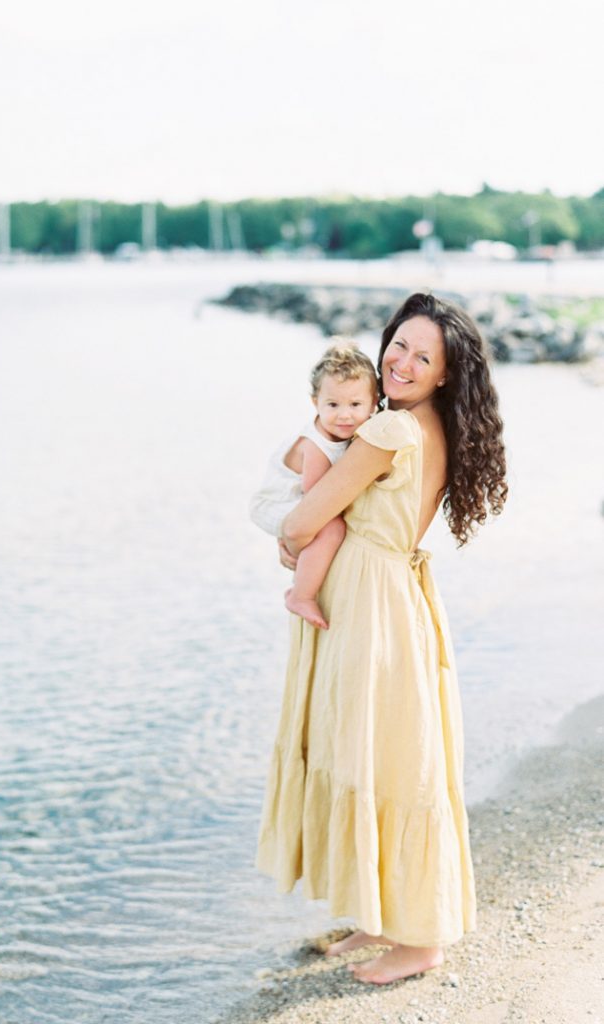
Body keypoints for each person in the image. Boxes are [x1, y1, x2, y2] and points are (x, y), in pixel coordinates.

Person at [255, 292, 508, 985]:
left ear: (446, 373)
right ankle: (381, 912)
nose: (402, 362)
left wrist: (289, 538)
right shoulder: (429, 422)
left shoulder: (389, 430)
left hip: (370, 600)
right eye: (399, 344)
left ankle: (421, 938)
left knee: (386, 758)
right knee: (374, 749)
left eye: (424, 357)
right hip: (387, 590)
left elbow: (305, 517)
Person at [249, 345, 378, 629]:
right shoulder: (317, 445)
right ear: (315, 402)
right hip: (277, 502)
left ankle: (305, 576)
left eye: (355, 405)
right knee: (332, 527)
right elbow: (316, 501)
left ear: (374, 403)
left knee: (330, 527)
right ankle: (301, 595)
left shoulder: (354, 431)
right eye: (333, 405)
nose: (344, 415)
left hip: (293, 500)